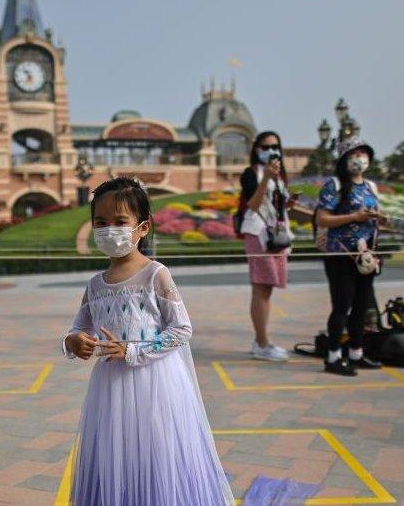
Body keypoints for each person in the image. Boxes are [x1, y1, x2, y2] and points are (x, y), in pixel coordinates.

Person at [61, 177, 234, 505]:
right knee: (115, 456)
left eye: (120, 221)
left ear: (143, 228)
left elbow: (181, 329)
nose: (109, 229)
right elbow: (78, 328)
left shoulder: (156, 275)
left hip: (156, 386)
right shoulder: (95, 284)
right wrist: (73, 342)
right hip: (110, 389)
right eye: (101, 222)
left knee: (157, 454)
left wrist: (134, 350)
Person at [315, 136, 387, 376]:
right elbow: (322, 219)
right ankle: (333, 356)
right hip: (340, 254)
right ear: (344, 158)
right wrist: (354, 217)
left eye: (363, 153)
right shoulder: (334, 185)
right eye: (354, 153)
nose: (359, 158)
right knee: (341, 306)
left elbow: (376, 217)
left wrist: (379, 219)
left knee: (361, 306)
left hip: (366, 254)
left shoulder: (370, 187)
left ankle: (357, 353)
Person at [237, 131, 296, 361]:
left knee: (267, 289)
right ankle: (262, 343)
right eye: (265, 146)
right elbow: (252, 204)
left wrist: (289, 203)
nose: (271, 150)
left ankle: (261, 340)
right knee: (260, 287)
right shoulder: (251, 174)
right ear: (256, 148)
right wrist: (265, 179)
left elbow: (276, 207)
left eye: (275, 146)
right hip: (258, 234)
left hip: (277, 235)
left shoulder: (280, 177)